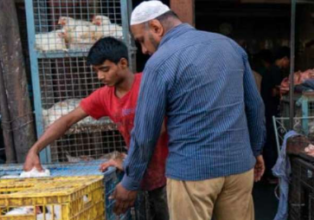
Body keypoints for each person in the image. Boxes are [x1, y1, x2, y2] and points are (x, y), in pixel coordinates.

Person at [110, 1, 266, 220]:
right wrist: (256, 149)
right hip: (239, 169)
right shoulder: (230, 46)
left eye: (141, 41)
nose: (144, 50)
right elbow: (254, 106)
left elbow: (146, 132)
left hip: (193, 173)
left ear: (156, 27)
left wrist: (130, 180)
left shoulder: (159, 63)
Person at [23, 37, 169, 220]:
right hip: (139, 176)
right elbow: (68, 120)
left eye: (104, 69)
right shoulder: (104, 96)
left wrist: (128, 160)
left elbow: (156, 130)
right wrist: (35, 149)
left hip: (169, 175)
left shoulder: (149, 84)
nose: (100, 76)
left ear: (123, 63)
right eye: (96, 71)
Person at [260, 46, 290, 184]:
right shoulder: (275, 71)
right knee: (272, 141)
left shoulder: (269, 71)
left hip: (267, 110)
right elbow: (274, 92)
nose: (288, 64)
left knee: (271, 141)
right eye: (288, 60)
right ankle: (272, 174)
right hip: (270, 111)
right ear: (284, 59)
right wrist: (285, 91)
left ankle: (270, 173)